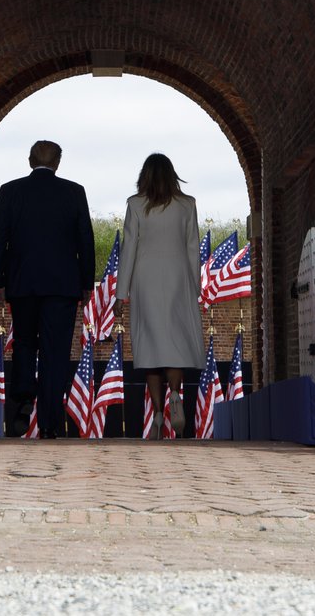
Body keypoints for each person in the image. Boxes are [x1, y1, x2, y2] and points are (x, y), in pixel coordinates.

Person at [0, 139, 94, 438]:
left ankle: (22, 399)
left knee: (24, 343)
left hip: (23, 283)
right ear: (58, 162)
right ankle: (48, 423)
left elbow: (0, 238)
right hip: (62, 285)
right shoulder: (74, 192)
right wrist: (86, 282)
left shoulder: (10, 191)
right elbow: (84, 240)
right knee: (55, 352)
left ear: (30, 160)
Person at [119, 152, 202, 438]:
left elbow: (128, 248)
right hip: (179, 276)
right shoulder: (187, 204)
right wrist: (196, 285)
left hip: (145, 279)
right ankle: (176, 396)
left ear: (144, 175)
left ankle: (156, 414)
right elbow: (193, 247)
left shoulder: (135, 204)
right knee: (175, 342)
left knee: (151, 347)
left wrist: (121, 292)